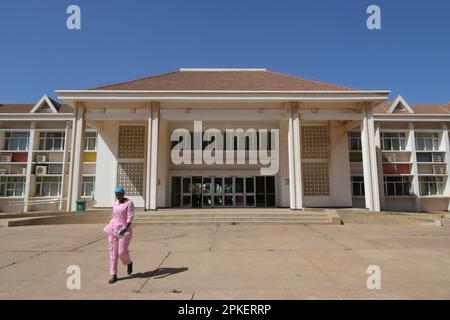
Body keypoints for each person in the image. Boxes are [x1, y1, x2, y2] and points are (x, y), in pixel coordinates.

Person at [103, 187, 135, 284]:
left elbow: (130, 217)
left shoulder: (129, 203)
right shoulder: (115, 203)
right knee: (113, 253)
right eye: (116, 194)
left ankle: (129, 263)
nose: (117, 196)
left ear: (123, 194)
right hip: (113, 230)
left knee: (121, 252)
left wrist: (125, 228)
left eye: (119, 194)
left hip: (124, 231)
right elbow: (114, 215)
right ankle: (114, 275)